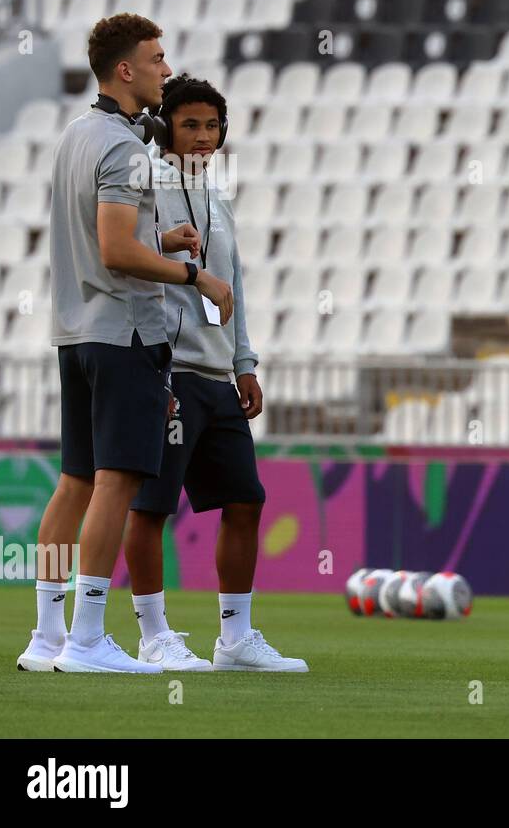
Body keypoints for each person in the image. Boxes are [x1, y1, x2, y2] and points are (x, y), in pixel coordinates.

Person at [17, 14, 233, 673]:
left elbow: (101, 234)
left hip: (75, 331)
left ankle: (47, 636)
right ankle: (87, 640)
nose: (167, 70)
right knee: (116, 482)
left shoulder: (77, 136)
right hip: (125, 333)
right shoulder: (126, 149)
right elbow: (114, 251)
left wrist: (160, 241)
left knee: (75, 481)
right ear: (126, 70)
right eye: (158, 58)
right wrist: (195, 275)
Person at [123, 74, 306, 672]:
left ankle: (235, 639)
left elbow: (236, 288)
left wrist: (244, 362)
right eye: (190, 125)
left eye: (212, 126)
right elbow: (123, 259)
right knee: (151, 507)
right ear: (166, 128)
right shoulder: (146, 183)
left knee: (245, 500)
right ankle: (153, 636)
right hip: (168, 371)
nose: (203, 137)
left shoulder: (217, 194)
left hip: (215, 375)